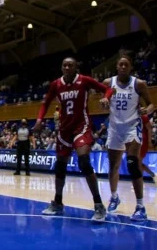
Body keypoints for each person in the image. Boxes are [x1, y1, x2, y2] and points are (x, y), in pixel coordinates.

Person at [36, 57, 112, 221]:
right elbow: (45, 103)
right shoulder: (56, 84)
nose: (67, 67)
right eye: (65, 65)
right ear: (61, 68)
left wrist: (106, 97)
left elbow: (107, 89)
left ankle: (99, 205)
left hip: (81, 125)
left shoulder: (84, 80)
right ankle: (57, 202)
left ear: (76, 67)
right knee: (60, 166)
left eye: (71, 65)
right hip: (64, 128)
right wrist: (39, 120)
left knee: (84, 161)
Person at [103, 51, 155, 221]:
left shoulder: (139, 84)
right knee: (113, 165)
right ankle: (114, 197)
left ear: (131, 67)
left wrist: (147, 110)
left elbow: (152, 104)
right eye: (121, 64)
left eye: (127, 64)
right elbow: (103, 100)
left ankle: (140, 206)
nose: (123, 67)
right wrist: (103, 102)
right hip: (114, 128)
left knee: (132, 163)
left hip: (132, 126)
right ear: (117, 67)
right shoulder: (107, 83)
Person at [139, 113, 157, 185]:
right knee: (137, 163)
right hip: (136, 141)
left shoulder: (143, 117)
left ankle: (140, 180)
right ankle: (153, 176)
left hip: (143, 141)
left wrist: (149, 141)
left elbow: (149, 128)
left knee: (138, 162)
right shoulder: (132, 117)